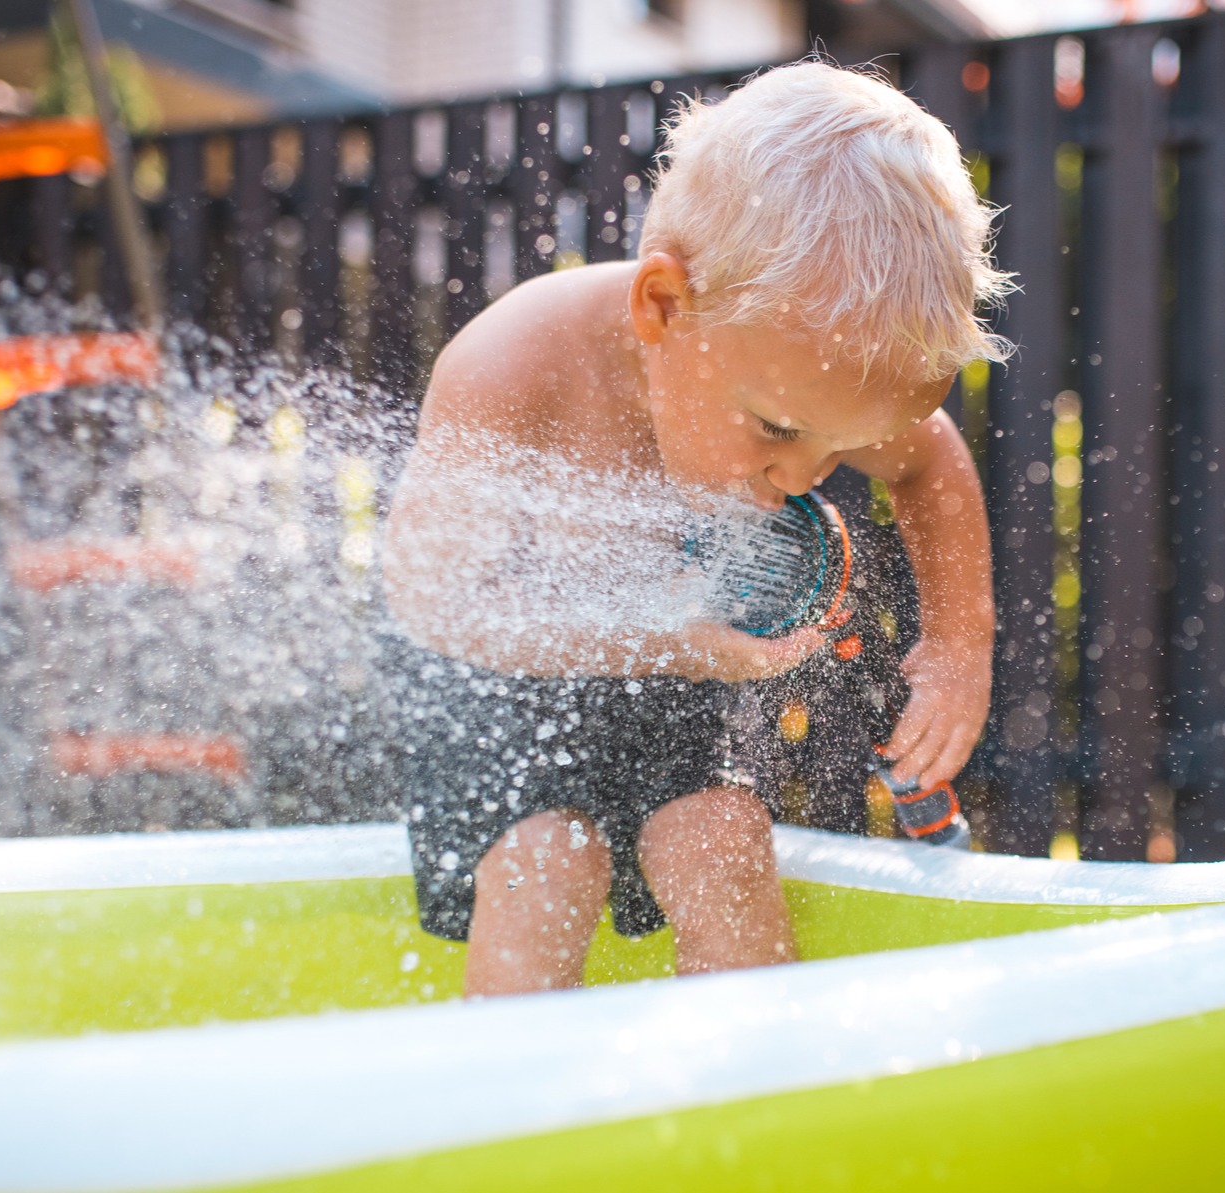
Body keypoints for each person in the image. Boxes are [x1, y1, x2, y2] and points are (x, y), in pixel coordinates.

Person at [379, 61, 1005, 997]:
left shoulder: (783, 361)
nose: (799, 479)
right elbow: (430, 601)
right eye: (779, 432)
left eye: (840, 452)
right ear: (664, 307)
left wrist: (958, 647)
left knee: (722, 846)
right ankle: (508, 1122)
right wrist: (658, 641)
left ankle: (749, 1118)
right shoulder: (514, 370)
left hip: (679, 672)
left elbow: (926, 460)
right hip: (499, 685)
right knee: (550, 863)